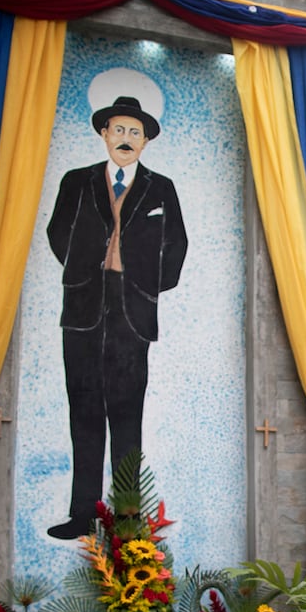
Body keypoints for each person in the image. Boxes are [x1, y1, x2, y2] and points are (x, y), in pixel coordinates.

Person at [46, 96, 189, 540]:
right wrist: (83, 272)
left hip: (133, 312)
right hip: (84, 307)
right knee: (84, 412)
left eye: (135, 132)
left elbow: (177, 246)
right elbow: (57, 232)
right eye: (118, 130)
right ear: (104, 134)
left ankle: (127, 518)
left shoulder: (161, 188)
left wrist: (145, 285)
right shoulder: (76, 181)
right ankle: (82, 514)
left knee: (128, 415)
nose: (125, 139)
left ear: (145, 141)